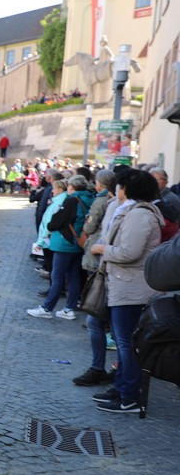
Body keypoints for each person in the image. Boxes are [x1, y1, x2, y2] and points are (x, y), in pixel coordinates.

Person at [89, 170, 164, 413]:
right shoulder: (138, 212)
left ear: (128, 189)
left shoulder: (140, 215)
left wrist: (102, 249)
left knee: (126, 343)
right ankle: (122, 387)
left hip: (130, 288)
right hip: (125, 285)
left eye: (120, 186)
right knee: (124, 342)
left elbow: (129, 253)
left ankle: (129, 395)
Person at [27, 175, 94, 320]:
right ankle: (69, 308)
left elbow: (55, 222)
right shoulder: (90, 198)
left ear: (72, 187)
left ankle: (47, 308)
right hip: (79, 243)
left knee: (57, 277)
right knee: (73, 277)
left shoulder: (71, 201)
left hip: (65, 243)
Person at [73, 169, 116, 386]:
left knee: (101, 320)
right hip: (109, 265)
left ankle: (105, 371)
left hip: (109, 267)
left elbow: (92, 225)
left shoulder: (105, 202)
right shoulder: (110, 201)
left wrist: (100, 247)